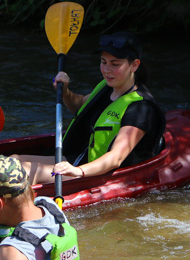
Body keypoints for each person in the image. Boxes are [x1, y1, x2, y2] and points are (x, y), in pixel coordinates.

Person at [15, 30, 166, 185]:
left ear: (134, 65)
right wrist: (65, 91)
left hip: (94, 173)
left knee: (21, 173)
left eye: (115, 64)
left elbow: (116, 158)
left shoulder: (141, 109)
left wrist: (78, 171)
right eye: (103, 62)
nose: (107, 70)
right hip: (76, 160)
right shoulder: (107, 87)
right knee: (13, 160)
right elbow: (80, 106)